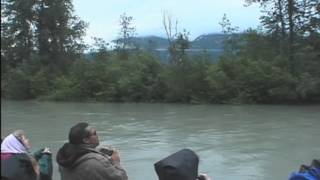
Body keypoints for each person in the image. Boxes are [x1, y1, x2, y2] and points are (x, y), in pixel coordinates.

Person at [56, 122, 128, 180]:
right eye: (94, 133)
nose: (97, 135)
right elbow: (122, 178)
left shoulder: (64, 157)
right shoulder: (97, 161)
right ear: (86, 140)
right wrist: (115, 161)